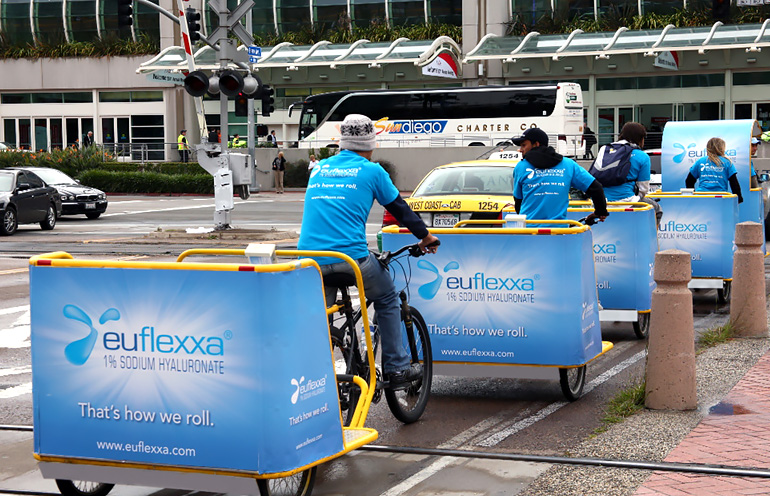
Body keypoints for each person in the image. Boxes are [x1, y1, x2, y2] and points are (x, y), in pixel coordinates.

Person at [297, 114, 439, 388]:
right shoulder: (372, 171)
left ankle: (313, 377)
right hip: (350, 258)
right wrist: (426, 237)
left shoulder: (319, 168)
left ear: (341, 142)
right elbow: (399, 209)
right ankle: (397, 368)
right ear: (371, 143)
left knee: (320, 317)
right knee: (387, 297)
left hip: (309, 260)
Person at [512, 127, 609, 226]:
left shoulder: (521, 167)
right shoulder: (568, 164)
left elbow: (518, 202)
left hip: (528, 231)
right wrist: (600, 212)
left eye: (524, 145)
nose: (520, 150)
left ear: (536, 144)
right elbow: (595, 188)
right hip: (558, 231)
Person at [589, 121, 662, 226]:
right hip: (627, 201)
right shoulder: (642, 156)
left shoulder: (604, 149)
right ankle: (651, 241)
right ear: (640, 138)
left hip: (598, 203)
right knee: (657, 209)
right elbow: (643, 189)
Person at [685, 137, 742, 203]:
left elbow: (689, 181)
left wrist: (692, 196)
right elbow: (734, 183)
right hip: (720, 198)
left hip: (701, 197)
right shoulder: (727, 162)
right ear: (721, 148)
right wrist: (739, 198)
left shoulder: (700, 161)